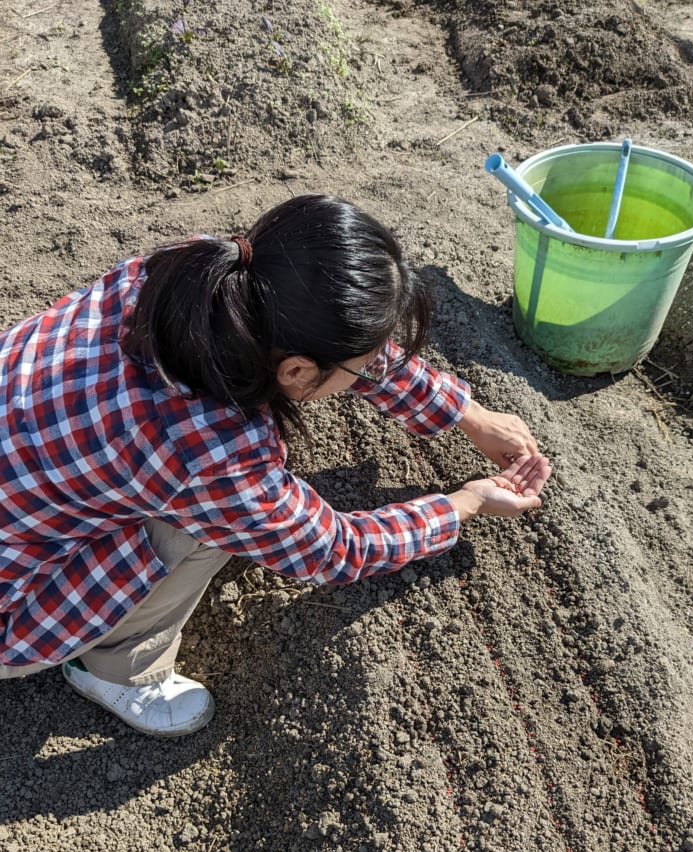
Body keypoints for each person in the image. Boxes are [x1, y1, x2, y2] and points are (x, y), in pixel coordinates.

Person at [0, 194, 550, 737]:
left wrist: (467, 414)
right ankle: (119, 667)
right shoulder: (214, 456)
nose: (368, 374)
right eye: (359, 370)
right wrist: (467, 502)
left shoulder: (193, 272)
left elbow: (338, 339)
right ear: (294, 370)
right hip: (11, 608)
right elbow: (335, 550)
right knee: (207, 529)